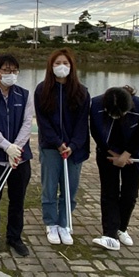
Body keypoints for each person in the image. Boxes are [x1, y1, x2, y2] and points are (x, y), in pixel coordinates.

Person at [0, 54, 34, 257]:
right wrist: (6, 147)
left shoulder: (25, 95)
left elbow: (28, 123)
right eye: (6, 70)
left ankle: (14, 237)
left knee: (17, 199)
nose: (10, 74)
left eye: (14, 71)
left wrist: (16, 149)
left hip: (20, 158)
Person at [34, 47, 90, 246]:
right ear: (50, 66)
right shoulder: (42, 90)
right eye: (57, 63)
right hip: (51, 147)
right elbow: (43, 122)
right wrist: (58, 143)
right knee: (49, 188)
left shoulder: (82, 92)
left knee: (69, 188)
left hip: (74, 150)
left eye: (65, 63)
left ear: (72, 66)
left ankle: (65, 223)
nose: (61, 67)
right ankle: (51, 223)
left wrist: (73, 145)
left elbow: (83, 123)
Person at [90, 86, 139, 251]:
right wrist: (112, 153)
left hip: (133, 153)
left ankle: (121, 228)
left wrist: (126, 155)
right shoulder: (95, 104)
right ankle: (109, 234)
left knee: (130, 194)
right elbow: (95, 131)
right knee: (109, 193)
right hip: (107, 152)